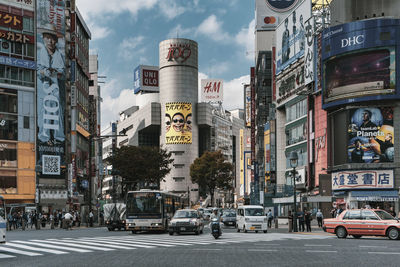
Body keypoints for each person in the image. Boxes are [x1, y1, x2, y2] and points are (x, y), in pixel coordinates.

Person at [37, 25, 65, 144]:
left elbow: (62, 73)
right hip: (43, 89)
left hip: (56, 90)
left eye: (52, 38)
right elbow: (37, 70)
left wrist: (55, 73)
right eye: (47, 38)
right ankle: (44, 137)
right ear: (43, 38)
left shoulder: (60, 56)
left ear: (56, 40)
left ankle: (58, 138)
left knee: (58, 114)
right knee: (43, 113)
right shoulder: (39, 53)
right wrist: (45, 72)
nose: (50, 41)